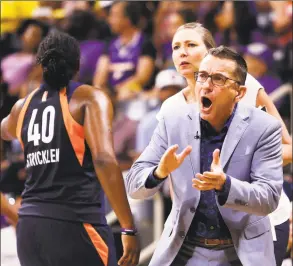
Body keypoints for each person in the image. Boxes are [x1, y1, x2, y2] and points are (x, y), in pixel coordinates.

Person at [125, 46, 283, 266]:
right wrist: (159, 172)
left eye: (218, 79)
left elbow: (269, 198)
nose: (206, 85)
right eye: (202, 76)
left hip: (240, 251)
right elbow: (133, 183)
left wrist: (226, 185)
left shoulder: (264, 128)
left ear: (239, 93)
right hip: (185, 248)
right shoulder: (173, 119)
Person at [0, 31, 139, 266]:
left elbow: (3, 131)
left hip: (30, 229)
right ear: (77, 64)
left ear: (41, 64)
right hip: (75, 224)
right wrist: (128, 227)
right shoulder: (88, 97)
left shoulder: (20, 109)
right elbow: (104, 160)